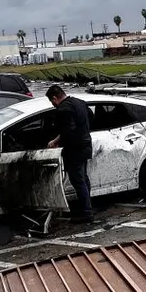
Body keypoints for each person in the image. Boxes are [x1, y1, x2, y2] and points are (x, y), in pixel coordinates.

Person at [46, 84, 95, 222]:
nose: (53, 104)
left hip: (75, 149)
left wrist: (56, 142)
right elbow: (91, 117)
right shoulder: (79, 102)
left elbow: (68, 130)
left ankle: (86, 213)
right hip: (85, 145)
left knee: (79, 181)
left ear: (55, 98)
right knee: (83, 179)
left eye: (52, 101)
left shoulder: (63, 109)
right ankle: (86, 207)